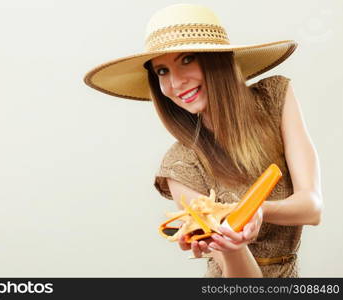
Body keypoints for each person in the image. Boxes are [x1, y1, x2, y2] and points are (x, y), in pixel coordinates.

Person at [84, 4, 323, 277]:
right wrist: (229, 244)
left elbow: (312, 208)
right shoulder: (179, 165)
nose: (175, 83)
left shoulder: (275, 98)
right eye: (162, 71)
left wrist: (255, 210)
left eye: (187, 60)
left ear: (216, 60)